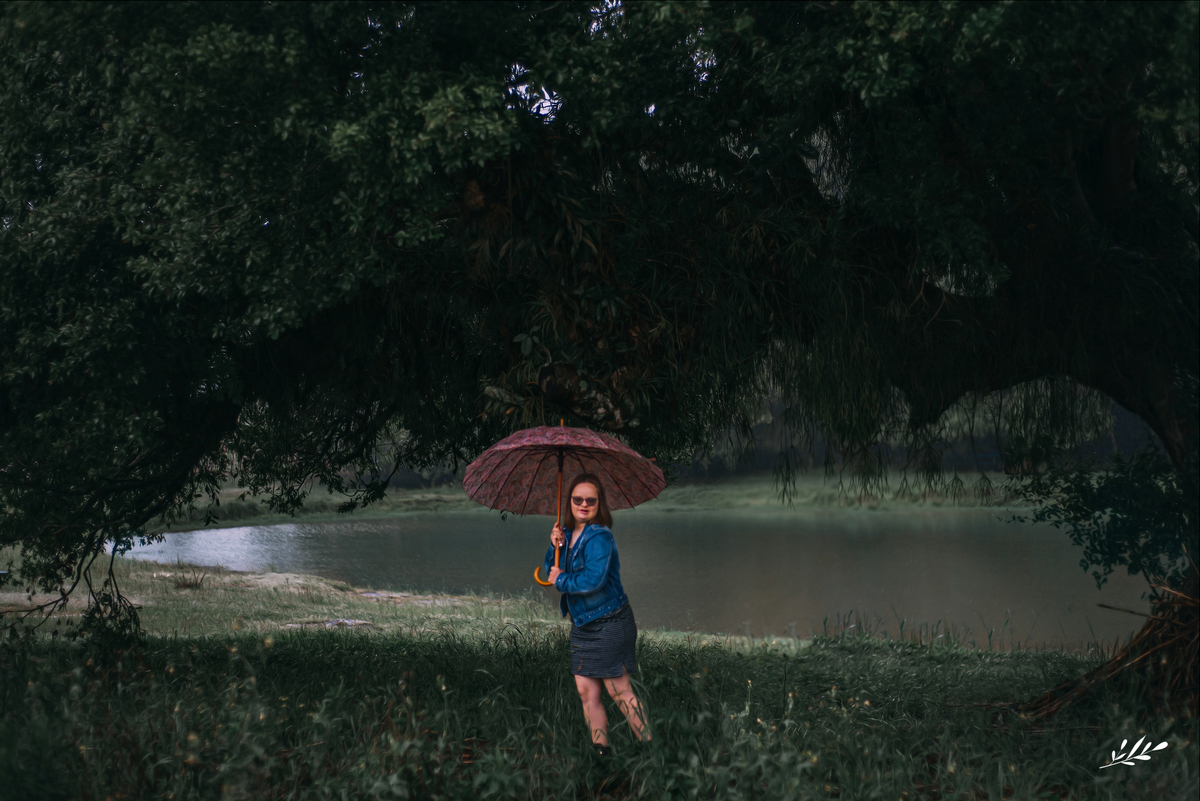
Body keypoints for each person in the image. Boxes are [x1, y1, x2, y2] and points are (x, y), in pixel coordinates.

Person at [545, 472, 648, 756]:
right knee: (586, 693)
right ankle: (601, 753)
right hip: (582, 626)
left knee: (618, 691)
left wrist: (562, 579)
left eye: (591, 500)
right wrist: (554, 546)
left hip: (610, 622)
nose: (584, 504)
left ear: (599, 503)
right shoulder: (565, 535)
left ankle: (650, 749)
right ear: (569, 502)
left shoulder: (600, 536)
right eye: (577, 499)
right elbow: (547, 573)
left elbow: (593, 581)